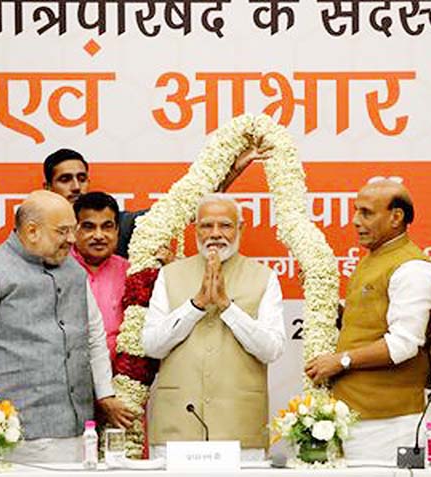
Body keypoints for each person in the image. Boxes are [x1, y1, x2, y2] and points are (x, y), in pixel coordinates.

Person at [0, 190, 133, 463]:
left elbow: (94, 337)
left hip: (78, 434)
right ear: (32, 231)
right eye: (63, 231)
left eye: (72, 230)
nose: (72, 239)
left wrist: (105, 393)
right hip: (17, 438)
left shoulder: (74, 271)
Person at [304, 179, 431, 462]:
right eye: (355, 211)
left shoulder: (412, 267)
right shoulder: (371, 260)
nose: (355, 221)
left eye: (366, 213)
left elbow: (404, 344)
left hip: (392, 422)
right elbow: (366, 326)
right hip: (354, 414)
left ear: (396, 217)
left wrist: (340, 360)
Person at [143, 194, 286, 460]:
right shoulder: (170, 274)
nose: (215, 234)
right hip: (177, 427)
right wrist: (195, 306)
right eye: (207, 226)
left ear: (240, 228)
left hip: (239, 428)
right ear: (195, 229)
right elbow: (152, 345)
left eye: (225, 225)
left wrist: (227, 307)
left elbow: (272, 349)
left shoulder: (265, 277)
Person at [42, 145, 264, 258]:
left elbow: (184, 208)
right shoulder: (37, 235)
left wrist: (233, 171)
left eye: (81, 179)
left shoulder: (121, 225)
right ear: (48, 188)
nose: (75, 187)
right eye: (65, 179)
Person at [71, 191, 129, 365]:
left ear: (117, 230)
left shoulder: (131, 272)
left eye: (107, 226)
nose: (98, 235)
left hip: (119, 379)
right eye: (89, 227)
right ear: (74, 230)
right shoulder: (58, 270)